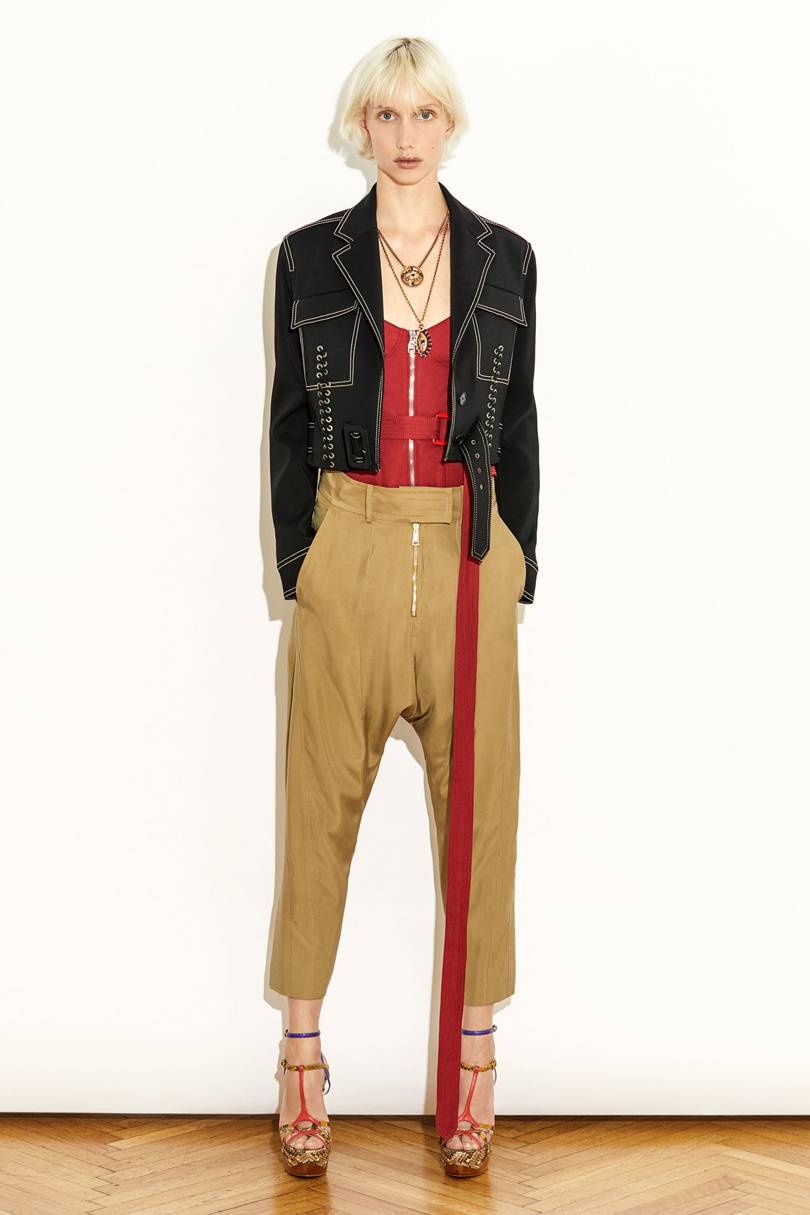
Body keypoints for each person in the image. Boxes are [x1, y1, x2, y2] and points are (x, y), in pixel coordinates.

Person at [267, 35, 539, 1179]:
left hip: (469, 555)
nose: (406, 134)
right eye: (386, 114)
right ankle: (301, 1054)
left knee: (481, 818)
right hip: (354, 543)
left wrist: (518, 564)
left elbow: (519, 422)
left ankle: (475, 1054)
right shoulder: (309, 258)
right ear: (361, 127)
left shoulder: (505, 258)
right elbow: (290, 423)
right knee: (318, 812)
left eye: (425, 113)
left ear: (451, 125)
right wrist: (307, 566)